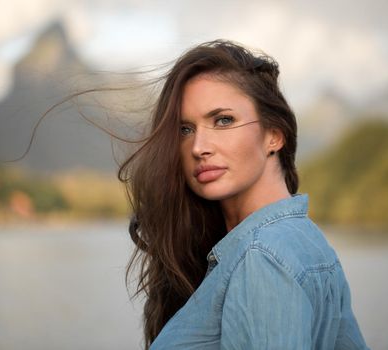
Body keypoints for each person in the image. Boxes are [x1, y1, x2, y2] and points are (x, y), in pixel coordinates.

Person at [120, 40, 369, 349]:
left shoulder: (263, 256)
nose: (198, 148)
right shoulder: (304, 241)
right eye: (185, 129)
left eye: (223, 120)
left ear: (274, 135)